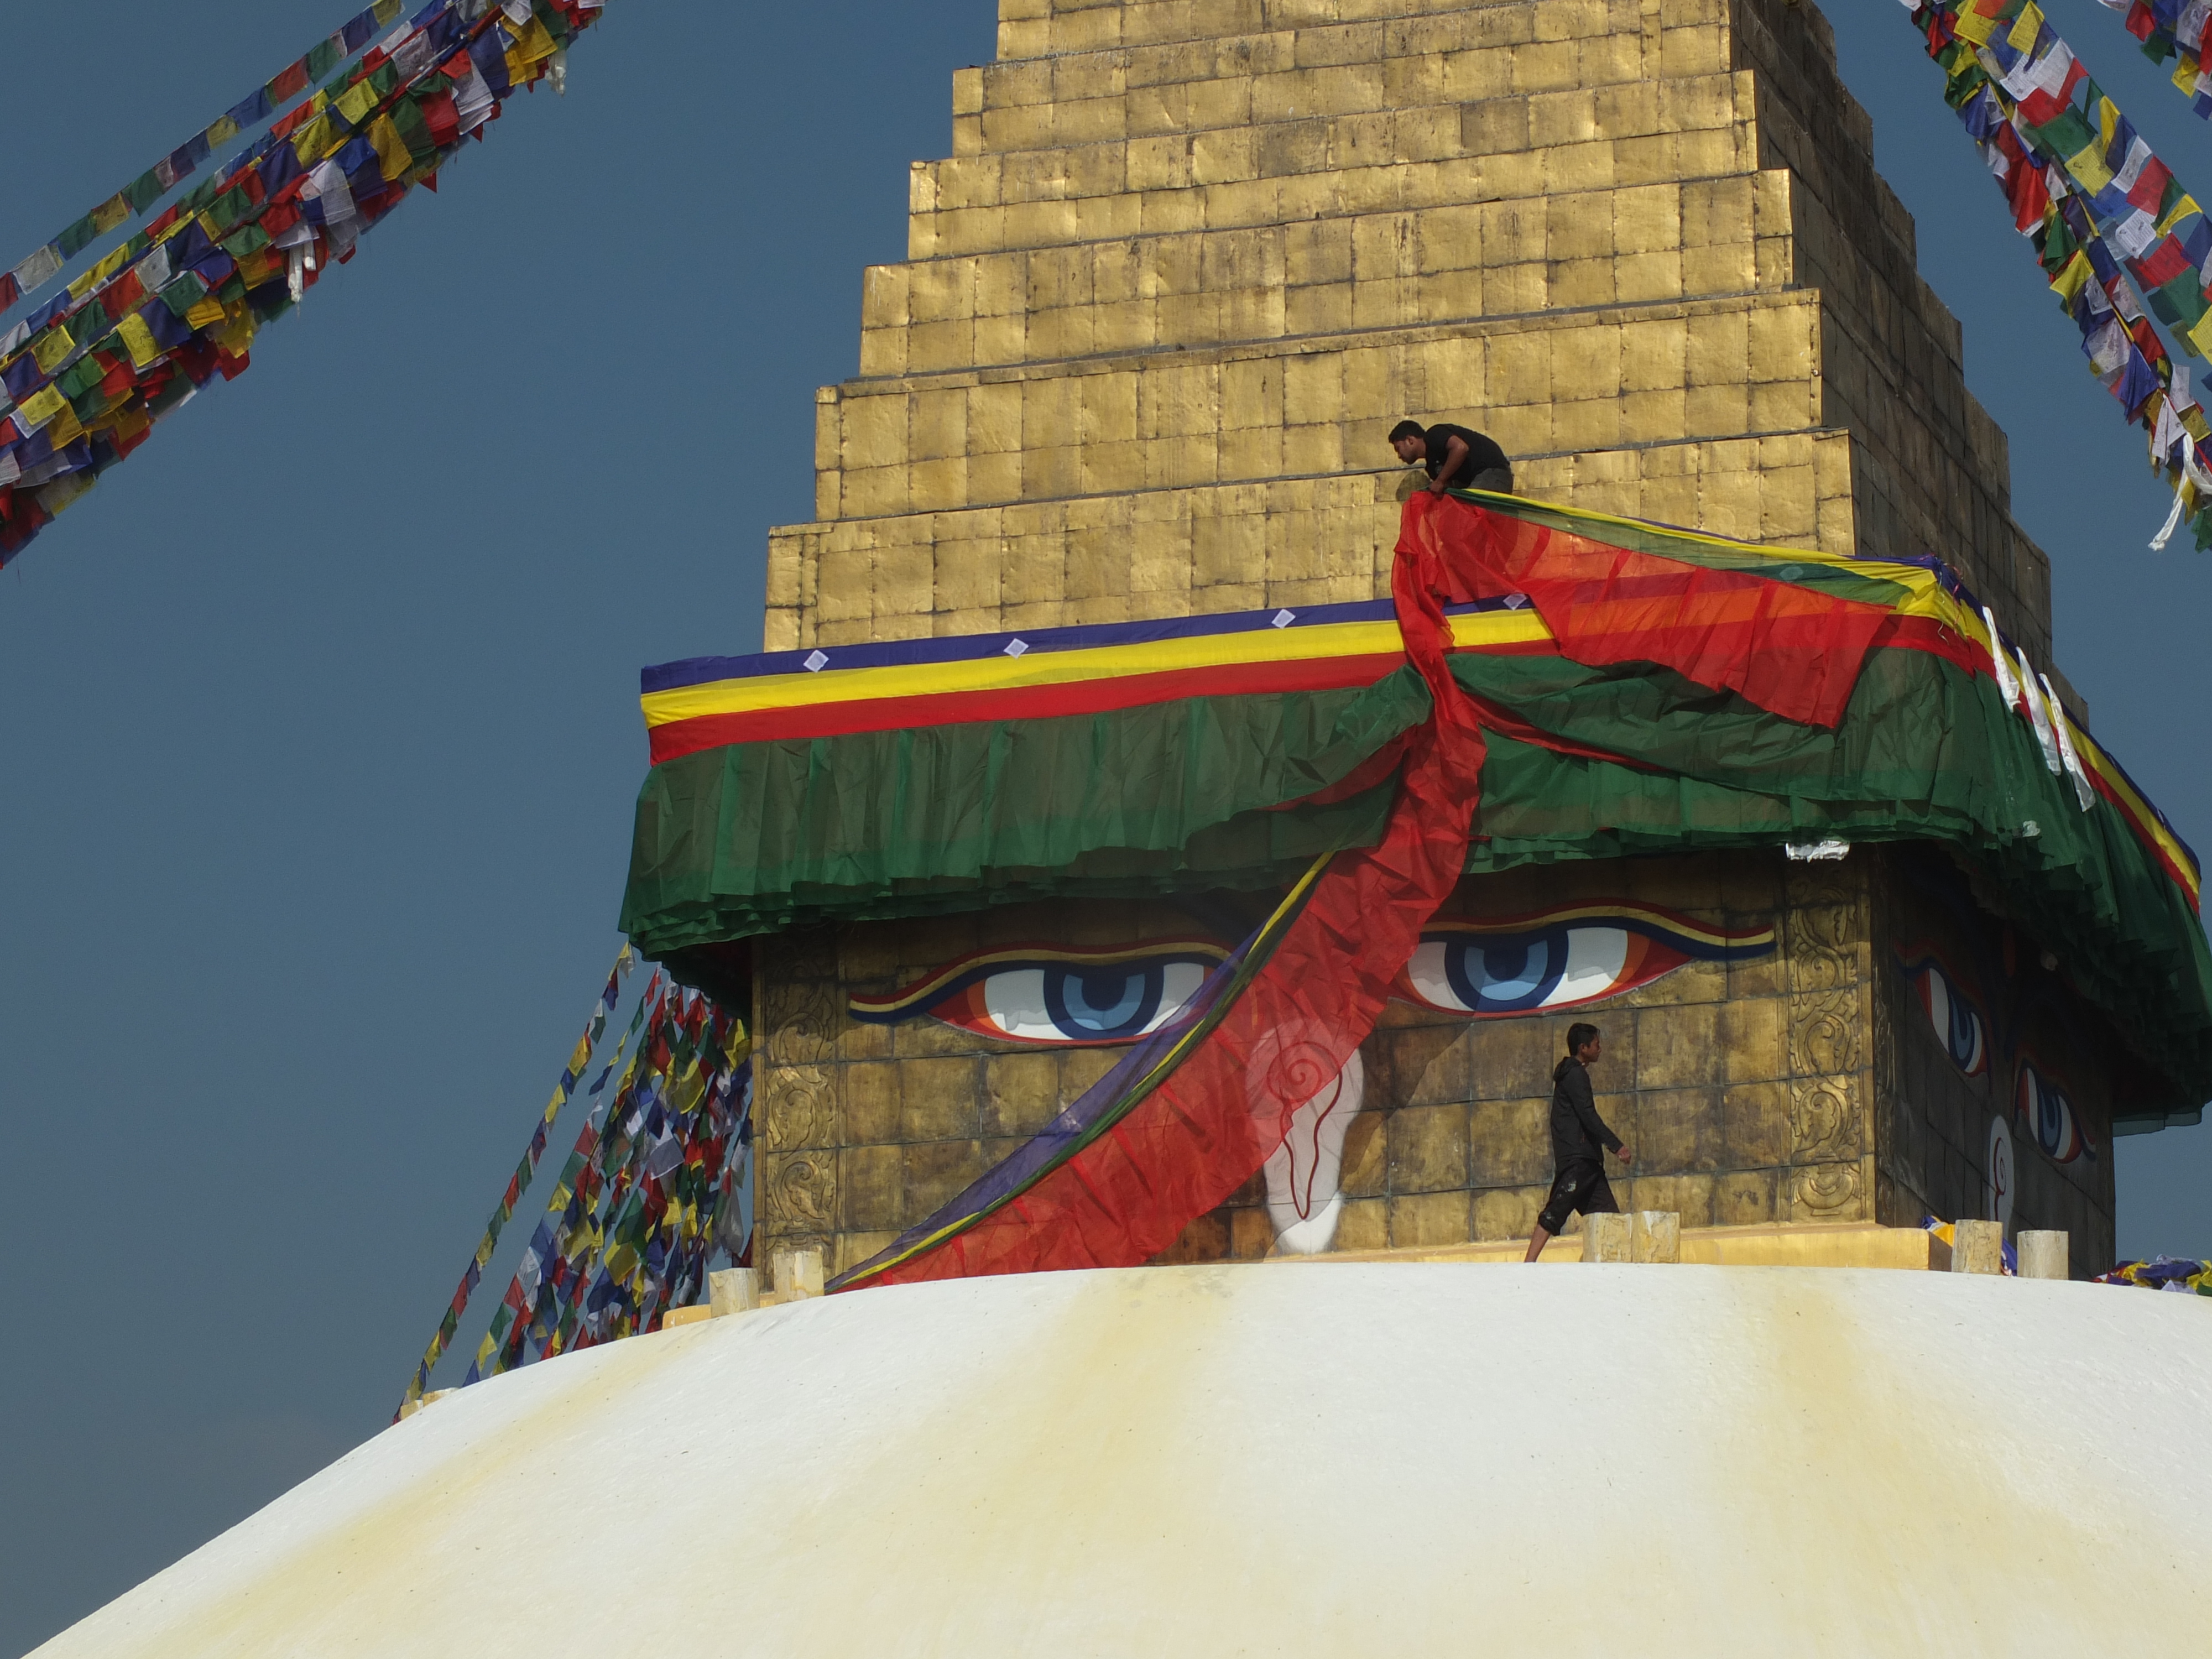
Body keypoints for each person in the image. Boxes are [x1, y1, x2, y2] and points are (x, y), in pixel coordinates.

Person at [1522, 1021, 1632, 1261]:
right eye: (1596, 1045)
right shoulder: (1575, 1074)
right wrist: (1616, 1146)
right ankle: (1528, 1264)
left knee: (1609, 1220)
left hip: (1590, 1164)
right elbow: (1588, 1115)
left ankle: (1608, 1270)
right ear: (1583, 1048)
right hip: (1579, 1161)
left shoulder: (1572, 1074)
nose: (1600, 1049)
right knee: (1556, 1210)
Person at [1389, 418, 1513, 495]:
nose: (1399, 456)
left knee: (1470, 512)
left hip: (1492, 472)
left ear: (1410, 440)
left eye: (1398, 448)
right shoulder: (1432, 468)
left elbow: (1461, 448)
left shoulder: (1434, 435)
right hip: (1475, 480)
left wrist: (1440, 481)